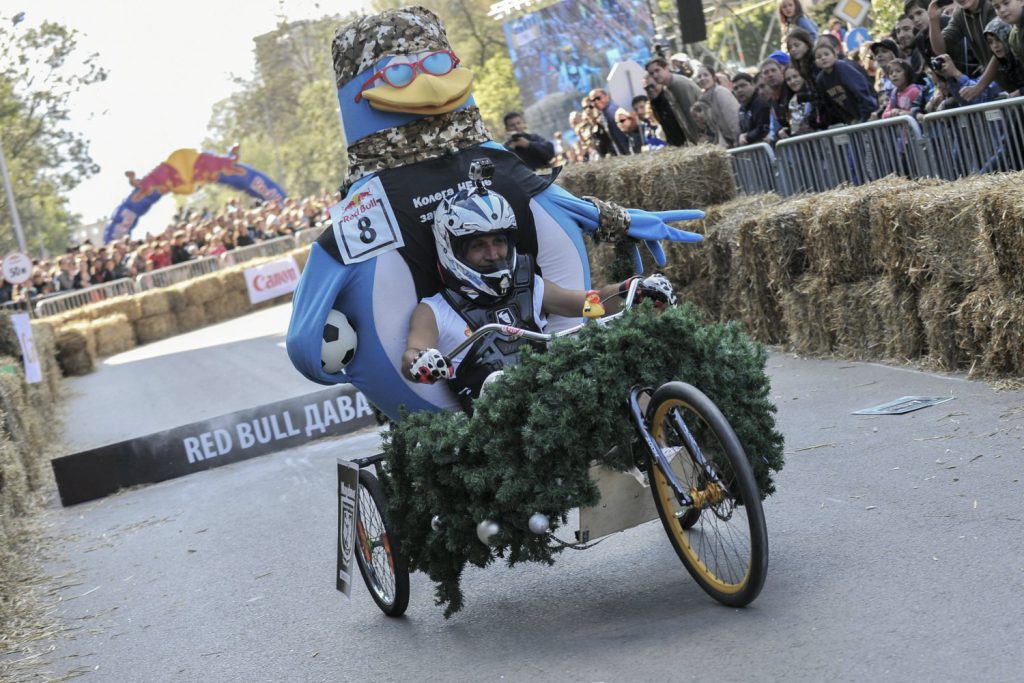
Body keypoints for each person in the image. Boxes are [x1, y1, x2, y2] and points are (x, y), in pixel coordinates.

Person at [402, 168, 674, 412]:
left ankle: (656, 445)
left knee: (620, 364)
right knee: (499, 383)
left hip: (560, 401)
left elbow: (591, 304)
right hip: (499, 433)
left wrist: (634, 290)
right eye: (477, 245)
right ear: (452, 251)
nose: (493, 253)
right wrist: (421, 361)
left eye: (499, 241)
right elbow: (412, 353)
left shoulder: (529, 284)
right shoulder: (434, 310)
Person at [928, 0, 998, 100]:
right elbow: (940, 49)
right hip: (998, 81)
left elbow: (1000, 52)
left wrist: (978, 87)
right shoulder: (960, 14)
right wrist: (933, 20)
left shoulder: (993, 6)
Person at [814, 38, 878, 124]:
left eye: (826, 54)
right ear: (815, 62)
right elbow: (832, 104)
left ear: (835, 55)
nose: (823, 58)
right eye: (818, 57)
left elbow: (861, 91)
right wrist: (849, 119)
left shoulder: (842, 67)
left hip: (870, 114)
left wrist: (865, 116)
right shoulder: (820, 79)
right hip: (854, 119)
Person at [644, 57, 704, 144]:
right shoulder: (667, 88)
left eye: (657, 70)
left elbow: (692, 113)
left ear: (666, 68)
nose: (655, 75)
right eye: (652, 73)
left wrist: (699, 140)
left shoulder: (678, 84)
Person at [694, 65, 741, 146]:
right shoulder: (704, 100)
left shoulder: (721, 93)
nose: (702, 78)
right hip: (726, 143)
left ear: (714, 78)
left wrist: (737, 143)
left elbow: (733, 120)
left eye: (706, 75)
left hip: (736, 142)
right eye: (699, 76)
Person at [984, 16, 1024, 96]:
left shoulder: (1021, 57)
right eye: (990, 42)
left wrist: (1020, 92)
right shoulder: (1006, 62)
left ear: (1007, 37)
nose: (995, 46)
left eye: (998, 39)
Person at [732, 72, 772, 145]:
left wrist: (747, 137)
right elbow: (743, 130)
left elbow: (762, 129)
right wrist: (740, 136)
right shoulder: (741, 109)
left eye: (743, 85)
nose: (739, 90)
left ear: (753, 85)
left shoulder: (761, 103)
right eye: (735, 88)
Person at [588, 88, 630, 155]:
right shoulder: (603, 114)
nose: (596, 102)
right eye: (593, 100)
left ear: (607, 97)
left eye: (598, 98)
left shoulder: (613, 111)